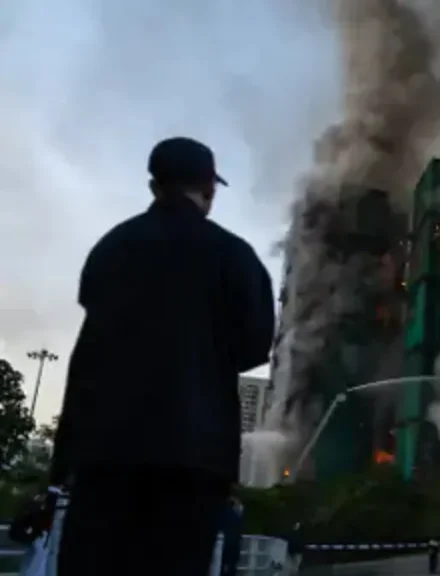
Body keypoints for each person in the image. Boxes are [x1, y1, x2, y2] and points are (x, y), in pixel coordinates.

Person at [51, 137, 276, 576]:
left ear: (155, 186)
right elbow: (253, 347)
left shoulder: (112, 248)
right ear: (209, 189)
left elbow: (92, 341)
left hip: (104, 455)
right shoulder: (235, 258)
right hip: (191, 461)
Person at [219, 497, 245, 575]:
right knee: (232, 567)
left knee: (220, 567)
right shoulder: (237, 516)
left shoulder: (222, 514)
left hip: (224, 544)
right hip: (235, 545)